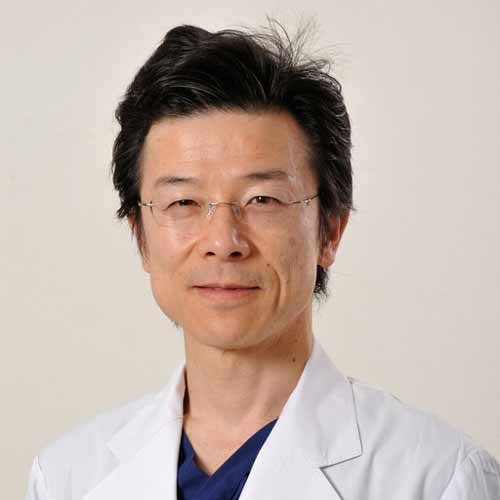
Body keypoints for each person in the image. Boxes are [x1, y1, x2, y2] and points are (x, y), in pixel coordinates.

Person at [26, 22, 500, 500]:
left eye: (262, 200)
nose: (223, 241)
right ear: (141, 237)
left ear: (330, 231)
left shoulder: (438, 478)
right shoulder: (67, 477)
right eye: (183, 202)